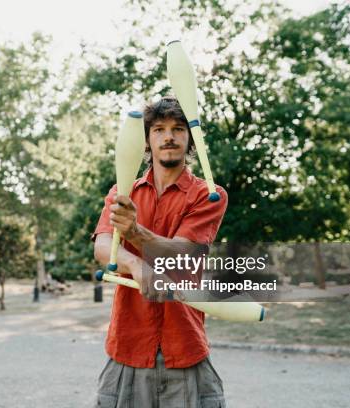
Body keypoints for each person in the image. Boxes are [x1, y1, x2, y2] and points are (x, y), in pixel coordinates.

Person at [92, 96, 228, 407]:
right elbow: (103, 246)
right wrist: (136, 266)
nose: (169, 136)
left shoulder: (209, 196)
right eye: (159, 129)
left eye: (179, 129)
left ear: (189, 139)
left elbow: (182, 255)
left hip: (184, 346)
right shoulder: (121, 192)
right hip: (128, 345)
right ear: (147, 140)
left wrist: (134, 233)